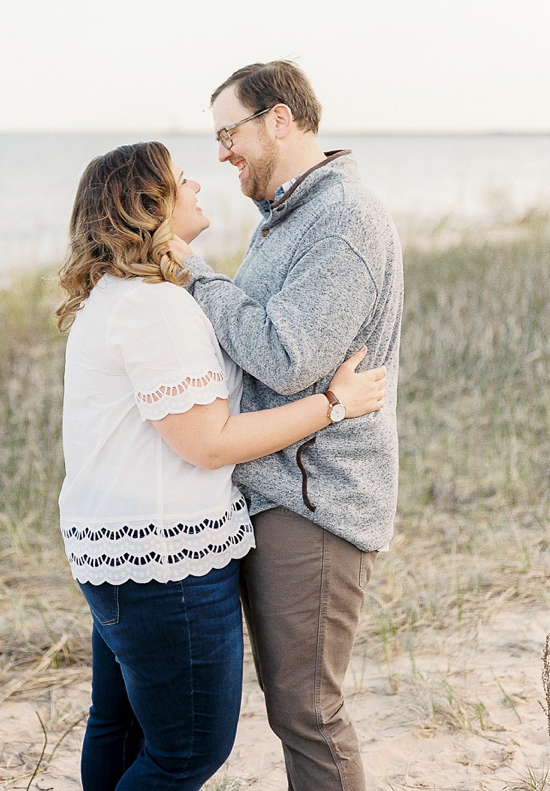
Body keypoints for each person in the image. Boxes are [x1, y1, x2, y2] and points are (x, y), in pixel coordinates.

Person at [58, 139, 387, 791]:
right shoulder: (155, 307)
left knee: (118, 727)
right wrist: (332, 405)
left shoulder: (112, 295)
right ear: (151, 203)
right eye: (184, 180)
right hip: (166, 561)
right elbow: (209, 441)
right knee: (186, 752)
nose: (199, 186)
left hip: (116, 552)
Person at [170, 62, 403, 791]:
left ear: (278, 119)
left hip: (317, 500)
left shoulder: (344, 220)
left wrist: (194, 274)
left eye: (226, 132)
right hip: (278, 490)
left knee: (308, 711)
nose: (220, 152)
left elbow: (283, 353)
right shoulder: (290, 215)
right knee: (293, 707)